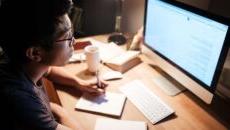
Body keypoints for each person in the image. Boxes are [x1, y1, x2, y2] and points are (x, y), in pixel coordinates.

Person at [0, 0, 107, 130]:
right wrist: (62, 114)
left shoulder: (22, 63)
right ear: (35, 53)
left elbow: (49, 71)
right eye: (68, 36)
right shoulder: (21, 102)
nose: (73, 41)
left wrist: (78, 83)